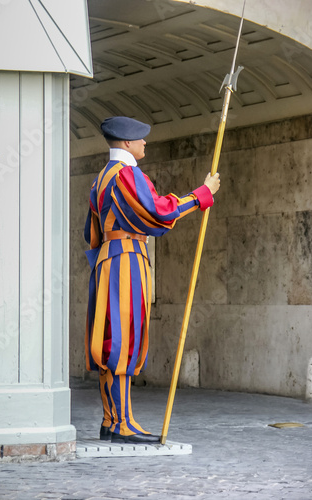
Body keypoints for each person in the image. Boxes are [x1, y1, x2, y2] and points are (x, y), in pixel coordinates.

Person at [84, 116, 220, 444]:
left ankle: (115, 419)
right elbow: (158, 212)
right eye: (141, 139)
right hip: (126, 260)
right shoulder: (127, 175)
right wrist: (201, 195)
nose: (145, 143)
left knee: (113, 339)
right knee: (122, 340)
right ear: (127, 143)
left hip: (108, 260)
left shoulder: (100, 179)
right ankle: (120, 424)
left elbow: (89, 235)